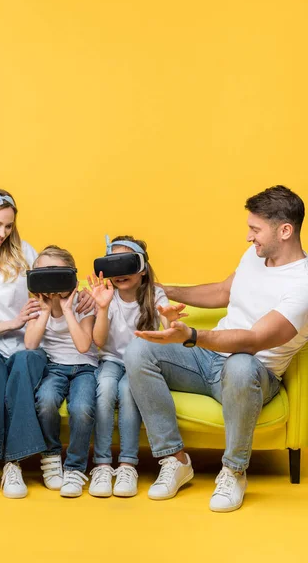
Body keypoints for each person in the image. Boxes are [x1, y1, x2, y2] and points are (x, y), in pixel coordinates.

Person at [124, 185, 308, 512]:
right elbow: (223, 291)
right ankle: (174, 460)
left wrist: (192, 335)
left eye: (255, 230)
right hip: (207, 360)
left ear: (285, 230)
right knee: (139, 350)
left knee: (240, 364)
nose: (249, 237)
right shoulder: (255, 256)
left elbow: (253, 341)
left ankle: (234, 471)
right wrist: (162, 289)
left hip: (253, 373)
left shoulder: (303, 285)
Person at [0, 186, 92, 498]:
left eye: (8, 226)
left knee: (25, 360)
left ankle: (14, 463)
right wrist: (12, 322)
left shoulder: (23, 252)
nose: (2, 233)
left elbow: (58, 288)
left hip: (30, 346)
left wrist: (84, 297)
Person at [87, 235, 184, 498]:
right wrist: (103, 308)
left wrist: (171, 320)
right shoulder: (106, 297)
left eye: (127, 264)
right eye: (113, 266)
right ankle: (103, 465)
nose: (120, 273)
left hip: (141, 366)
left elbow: (169, 337)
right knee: (106, 388)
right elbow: (97, 340)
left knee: (130, 393)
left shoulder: (156, 295)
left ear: (142, 269)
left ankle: (128, 464)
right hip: (109, 360)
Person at [25, 246, 98, 498]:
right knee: (44, 401)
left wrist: (67, 309)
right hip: (54, 368)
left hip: (85, 368)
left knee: (81, 408)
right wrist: (45, 310)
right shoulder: (36, 305)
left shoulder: (84, 303)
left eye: (57, 274)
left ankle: (76, 467)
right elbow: (31, 344)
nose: (51, 281)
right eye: (43, 274)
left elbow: (83, 345)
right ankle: (51, 456)